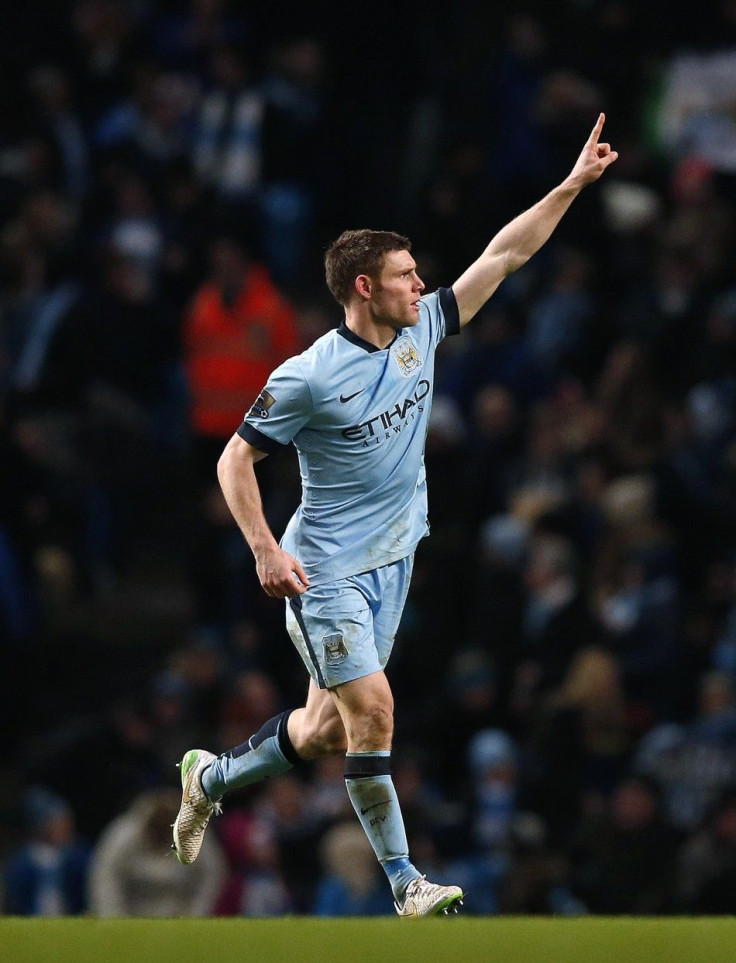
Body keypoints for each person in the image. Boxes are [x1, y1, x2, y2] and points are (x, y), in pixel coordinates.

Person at [173, 114, 618, 918]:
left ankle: (208, 777)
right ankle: (407, 882)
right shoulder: (307, 376)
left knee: (323, 735)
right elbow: (233, 459)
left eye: (420, 273)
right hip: (324, 572)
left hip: (395, 560)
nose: (423, 284)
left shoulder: (423, 335)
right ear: (366, 287)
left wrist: (572, 184)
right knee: (375, 708)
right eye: (408, 274)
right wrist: (265, 549)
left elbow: (506, 255)